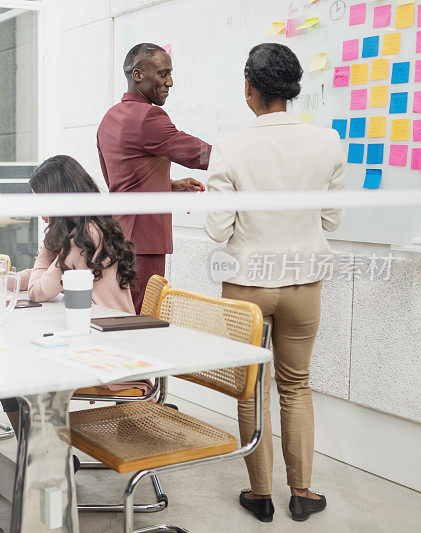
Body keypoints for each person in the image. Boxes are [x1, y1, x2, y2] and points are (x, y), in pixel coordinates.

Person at [204, 43, 345, 523]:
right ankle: (302, 493)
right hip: (305, 282)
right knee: (296, 385)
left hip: (247, 284)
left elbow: (217, 229)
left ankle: (260, 495)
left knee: (251, 388)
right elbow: (332, 220)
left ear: (249, 85)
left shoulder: (230, 147)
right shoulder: (328, 143)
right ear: (294, 88)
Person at [0, 155, 143, 439]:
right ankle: (37, 449)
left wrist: (48, 246)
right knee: (10, 374)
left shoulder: (84, 238)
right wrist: (2, 281)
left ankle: (45, 454)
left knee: (14, 374)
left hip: (112, 354)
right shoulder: (90, 227)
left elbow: (40, 291)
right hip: (93, 338)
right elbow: (41, 277)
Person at [98, 43, 210, 314]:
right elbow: (199, 154)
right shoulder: (149, 116)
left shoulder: (109, 118)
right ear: (137, 75)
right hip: (144, 240)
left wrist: (169, 186)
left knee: (123, 312)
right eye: (163, 74)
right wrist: (247, 155)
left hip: (118, 234)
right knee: (142, 318)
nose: (170, 82)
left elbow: (123, 182)